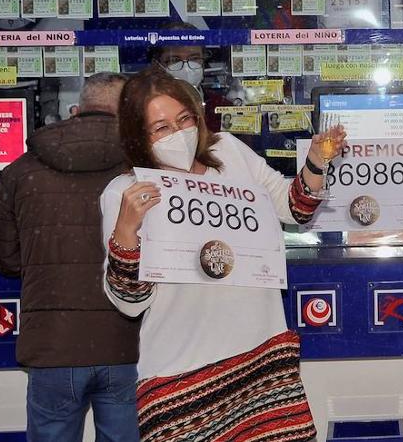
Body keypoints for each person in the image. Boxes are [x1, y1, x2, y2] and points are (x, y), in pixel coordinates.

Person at [101, 69, 342, 442]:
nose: (178, 134)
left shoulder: (228, 152)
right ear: (137, 136)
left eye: (184, 120)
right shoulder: (125, 192)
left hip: (260, 361)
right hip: (182, 381)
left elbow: (294, 209)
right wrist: (127, 230)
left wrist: (315, 161)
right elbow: (129, 302)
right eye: (161, 128)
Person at [0, 73, 141, 442]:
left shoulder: (22, 171)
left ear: (76, 112)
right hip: (129, 344)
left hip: (54, 347)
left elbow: (4, 258)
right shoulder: (146, 172)